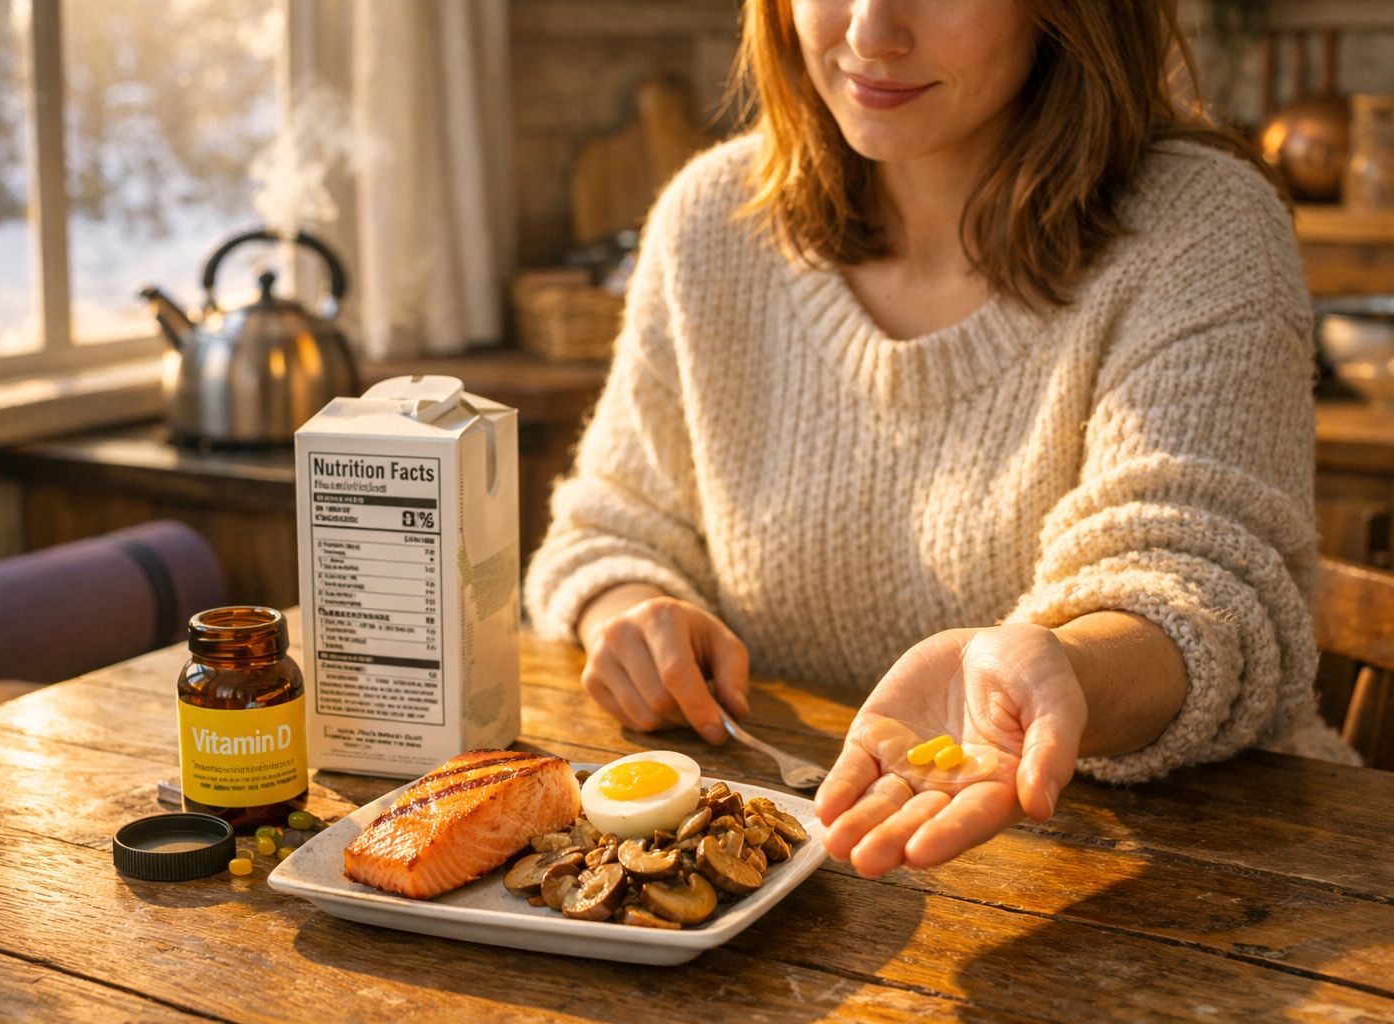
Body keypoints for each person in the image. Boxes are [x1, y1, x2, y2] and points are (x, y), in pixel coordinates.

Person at [522, 0, 1358, 878]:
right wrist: (628, 610)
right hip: (821, 884)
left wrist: (1061, 671)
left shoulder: (1204, 225)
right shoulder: (711, 221)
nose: (872, 33)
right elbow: (613, 523)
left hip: (1210, 879)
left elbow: (1201, 586)